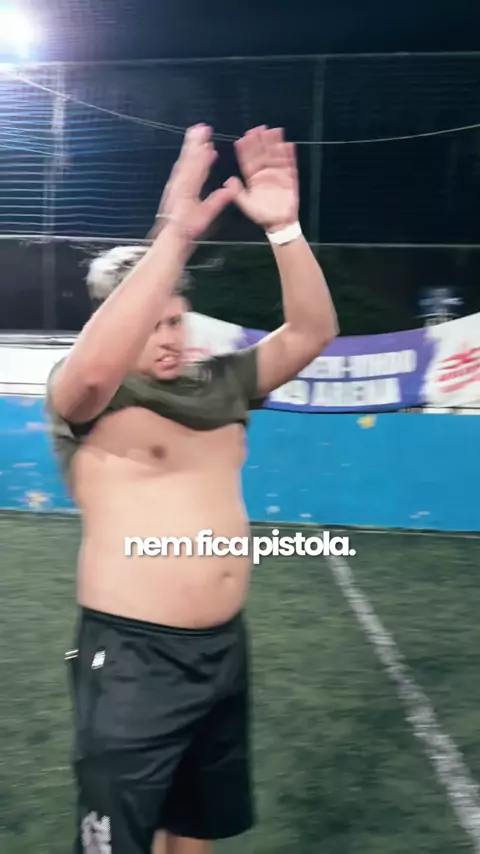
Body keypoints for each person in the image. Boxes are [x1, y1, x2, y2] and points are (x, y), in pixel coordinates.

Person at [46, 123, 338, 854]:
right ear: (116, 325)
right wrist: (175, 232)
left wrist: (284, 228)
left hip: (221, 651)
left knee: (195, 831)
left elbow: (311, 333)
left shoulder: (222, 380)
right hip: (132, 657)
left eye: (177, 319)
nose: (170, 336)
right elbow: (92, 368)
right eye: (152, 324)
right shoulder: (89, 397)